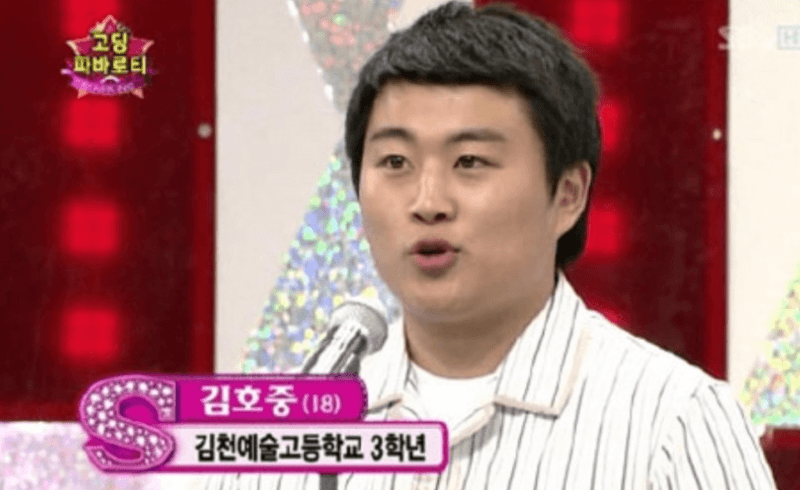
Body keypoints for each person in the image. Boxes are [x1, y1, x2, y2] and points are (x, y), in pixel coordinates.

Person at [203, 1, 777, 488]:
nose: (427, 201)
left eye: (470, 161)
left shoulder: (674, 422)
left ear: (568, 194)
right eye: (395, 162)